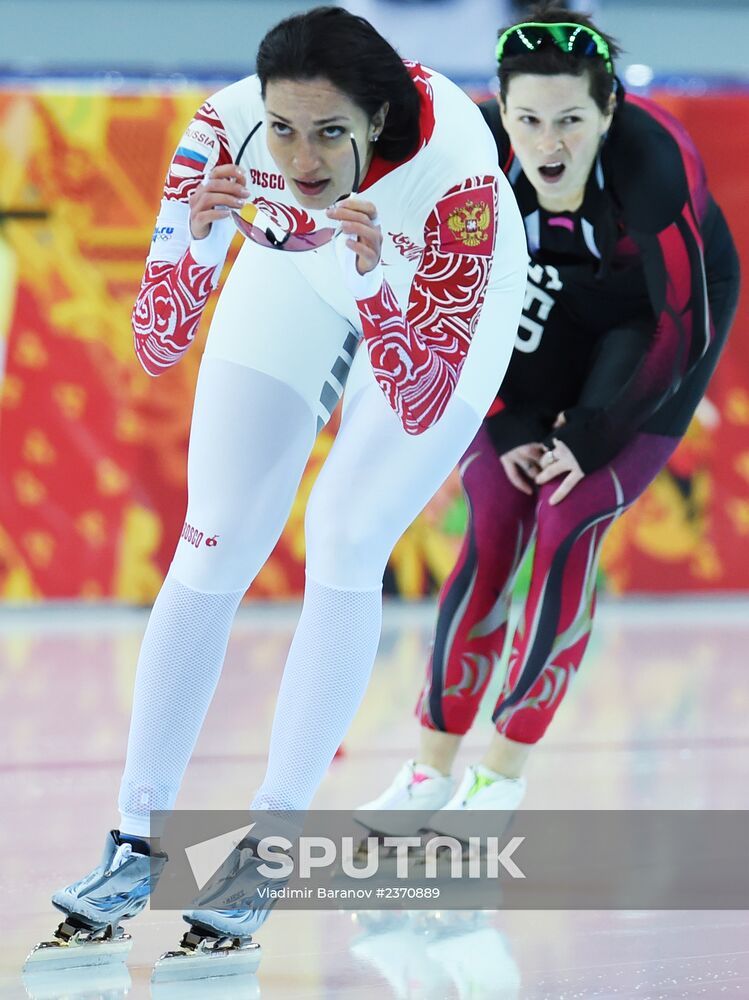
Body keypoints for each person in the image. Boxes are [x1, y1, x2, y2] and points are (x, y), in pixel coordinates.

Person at [29, 3, 527, 975]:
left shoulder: (455, 170)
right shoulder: (224, 130)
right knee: (212, 535)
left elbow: (424, 393)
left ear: (376, 120)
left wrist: (376, 279)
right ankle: (137, 834)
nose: (297, 159)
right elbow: (157, 340)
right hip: (304, 266)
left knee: (344, 534)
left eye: (327, 133)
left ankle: (272, 835)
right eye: (284, 127)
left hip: (427, 290)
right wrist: (199, 245)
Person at [357, 2, 740, 837]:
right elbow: (441, 305)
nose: (548, 144)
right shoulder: (469, 153)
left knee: (568, 519)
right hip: (535, 310)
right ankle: (428, 770)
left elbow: (679, 324)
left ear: (610, 111)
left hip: (649, 321)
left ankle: (498, 777)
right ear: (498, 107)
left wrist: (586, 436)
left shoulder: (654, 161)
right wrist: (504, 422)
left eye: (571, 120)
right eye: (526, 119)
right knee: (495, 517)